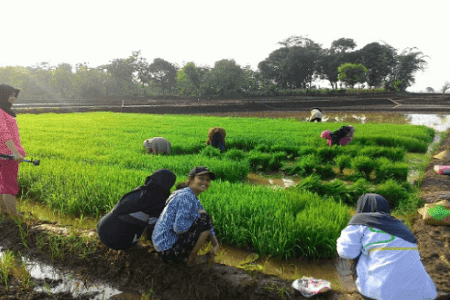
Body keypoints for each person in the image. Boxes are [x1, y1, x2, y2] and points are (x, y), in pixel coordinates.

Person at [336, 193, 437, 300]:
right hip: (420, 292)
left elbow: (345, 252)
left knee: (358, 252)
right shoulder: (400, 225)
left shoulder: (359, 222)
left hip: (381, 293)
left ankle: (370, 289)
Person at [152, 166, 219, 266]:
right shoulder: (185, 197)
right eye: (201, 178)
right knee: (205, 219)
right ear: (191, 179)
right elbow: (179, 228)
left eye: (208, 180)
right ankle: (190, 259)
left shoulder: (190, 196)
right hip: (167, 250)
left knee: (204, 218)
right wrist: (196, 219)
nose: (205, 182)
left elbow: (206, 223)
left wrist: (216, 244)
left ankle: (187, 256)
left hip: (162, 246)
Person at [97, 169, 176, 250]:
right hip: (116, 240)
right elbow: (152, 231)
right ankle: (129, 244)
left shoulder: (141, 190)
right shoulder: (157, 201)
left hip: (102, 227)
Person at [0, 84, 26, 217]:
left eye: (14, 96)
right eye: (10, 95)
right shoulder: (1, 111)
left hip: (4, 153)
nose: (13, 98)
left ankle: (4, 210)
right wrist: (15, 153)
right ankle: (13, 214)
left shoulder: (4, 111)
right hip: (7, 154)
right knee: (9, 183)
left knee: (2, 182)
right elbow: (4, 134)